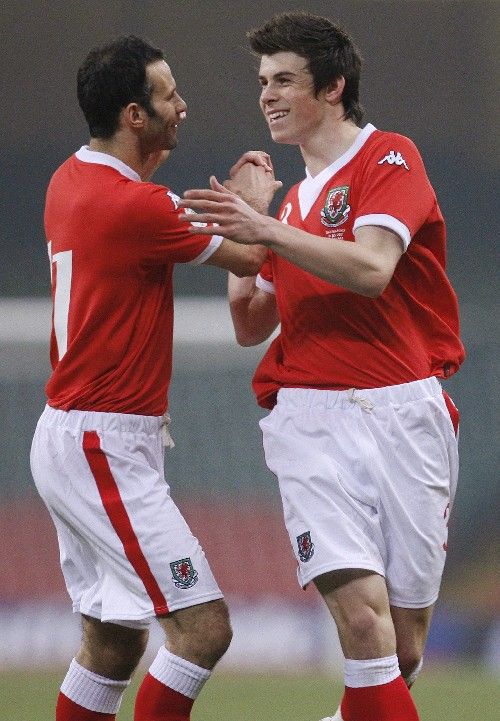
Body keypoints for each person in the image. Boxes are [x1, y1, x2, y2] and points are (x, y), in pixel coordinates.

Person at [179, 11, 465, 721]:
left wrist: (266, 228)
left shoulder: (388, 158)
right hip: (311, 419)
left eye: (284, 80)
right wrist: (244, 231)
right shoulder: (294, 202)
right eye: (262, 82)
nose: (266, 95)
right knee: (363, 625)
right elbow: (250, 322)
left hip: (407, 413)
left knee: (401, 648)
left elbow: (372, 267)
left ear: (334, 86)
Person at [30, 35, 280, 721]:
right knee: (203, 629)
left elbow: (140, 220)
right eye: (169, 94)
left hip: (77, 436)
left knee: (112, 644)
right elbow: (254, 253)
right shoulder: (141, 208)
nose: (184, 105)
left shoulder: (69, 179)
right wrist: (254, 198)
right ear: (135, 115)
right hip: (101, 444)